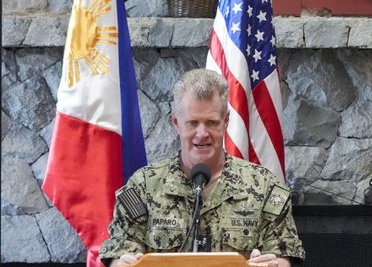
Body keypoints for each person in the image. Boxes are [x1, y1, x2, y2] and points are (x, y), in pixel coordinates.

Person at [99, 69, 304, 267]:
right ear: (176, 123)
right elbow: (119, 251)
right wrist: (122, 263)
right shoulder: (143, 186)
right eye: (193, 123)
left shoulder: (264, 186)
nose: (202, 133)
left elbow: (283, 254)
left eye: (212, 122)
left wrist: (273, 263)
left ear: (226, 122)